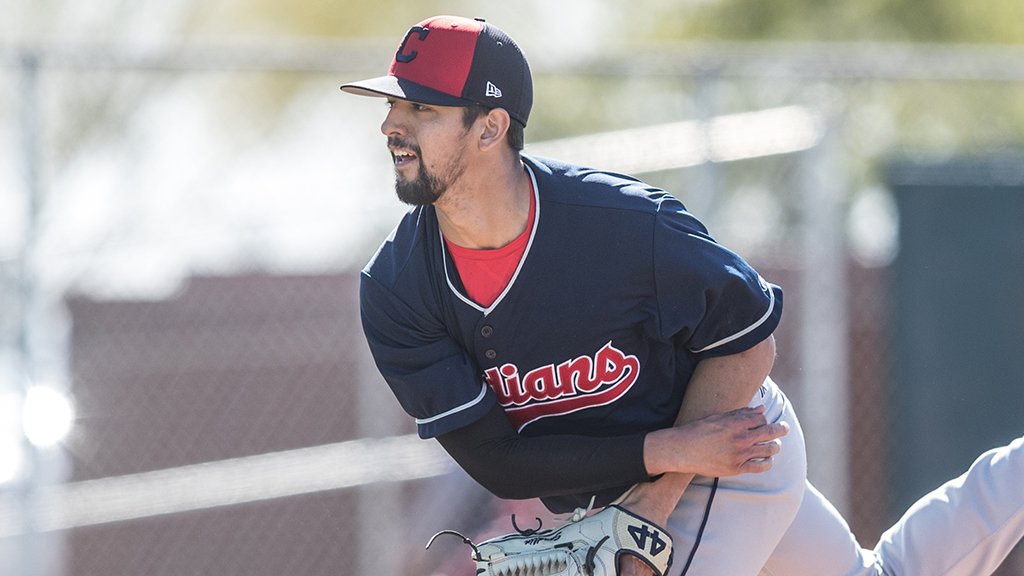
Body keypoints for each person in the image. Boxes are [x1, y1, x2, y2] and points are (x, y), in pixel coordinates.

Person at [343, 14, 1024, 576]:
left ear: (491, 127)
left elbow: (748, 342)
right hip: (645, 478)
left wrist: (654, 502)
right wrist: (662, 465)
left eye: (421, 107)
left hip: (731, 449)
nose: (392, 124)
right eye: (393, 105)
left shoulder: (619, 226)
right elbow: (500, 463)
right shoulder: (399, 289)